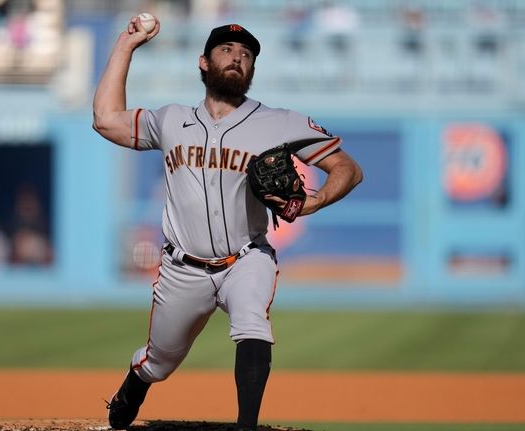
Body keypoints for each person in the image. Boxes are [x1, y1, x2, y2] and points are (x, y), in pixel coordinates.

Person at [92, 16, 363, 431]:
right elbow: (105, 119)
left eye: (246, 54)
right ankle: (136, 382)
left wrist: (317, 199)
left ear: (252, 69)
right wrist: (126, 45)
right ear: (203, 63)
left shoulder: (281, 122)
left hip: (246, 255)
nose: (237, 57)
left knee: (253, 322)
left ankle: (246, 426)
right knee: (159, 362)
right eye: (226, 50)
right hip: (183, 268)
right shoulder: (170, 119)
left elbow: (347, 168)